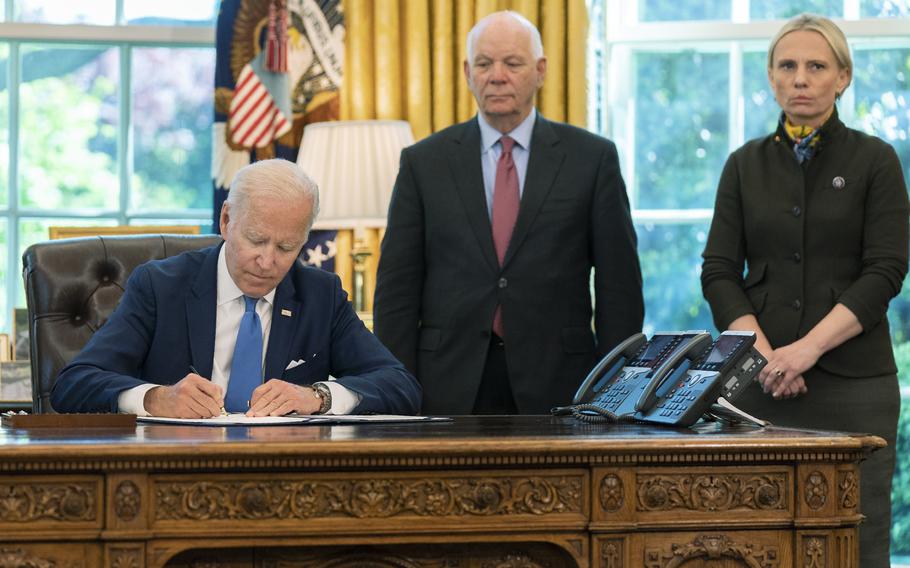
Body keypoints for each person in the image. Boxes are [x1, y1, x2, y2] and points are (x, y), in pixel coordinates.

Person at [701, 14, 908, 567]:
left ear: (842, 77)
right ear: (771, 78)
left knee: (857, 543)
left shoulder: (875, 160)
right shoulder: (744, 165)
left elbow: (886, 270)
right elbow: (718, 271)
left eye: (816, 66)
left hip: (855, 387)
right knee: (752, 544)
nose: (801, 78)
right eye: (787, 66)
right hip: (757, 386)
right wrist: (767, 358)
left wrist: (805, 351)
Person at [374, 11, 644, 415]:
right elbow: (396, 290)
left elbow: (618, 288)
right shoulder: (423, 163)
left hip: (563, 384)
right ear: (468, 72)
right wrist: (398, 388)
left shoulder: (591, 159)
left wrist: (614, 391)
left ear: (540, 71)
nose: (496, 75)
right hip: (445, 384)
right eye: (484, 64)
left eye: (512, 63)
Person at [52, 159, 421, 418]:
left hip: (286, 477)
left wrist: (318, 397)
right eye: (256, 240)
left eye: (286, 247)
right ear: (227, 220)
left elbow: (400, 386)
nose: (267, 261)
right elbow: (74, 385)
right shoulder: (160, 287)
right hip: (173, 472)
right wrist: (155, 398)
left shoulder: (319, 295)